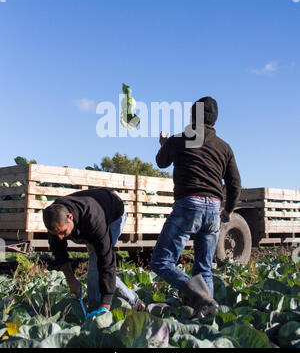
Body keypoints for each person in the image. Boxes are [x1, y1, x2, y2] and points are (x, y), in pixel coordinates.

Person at [150, 96, 241, 319]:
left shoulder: (180, 140)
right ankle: (207, 317)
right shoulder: (224, 147)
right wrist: (228, 211)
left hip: (189, 204)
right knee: (204, 268)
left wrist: (165, 144)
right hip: (214, 209)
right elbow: (235, 183)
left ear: (192, 118)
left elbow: (161, 162)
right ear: (214, 122)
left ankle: (199, 296)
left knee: (161, 261)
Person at [43, 187, 145, 315]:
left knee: (97, 264)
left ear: (70, 217)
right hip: (84, 222)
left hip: (113, 214)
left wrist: (105, 305)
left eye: (63, 232)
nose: (61, 237)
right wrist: (71, 280)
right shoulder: (55, 219)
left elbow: (106, 260)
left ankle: (128, 303)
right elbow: (59, 252)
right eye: (56, 234)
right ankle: (97, 303)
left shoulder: (94, 219)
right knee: (95, 268)